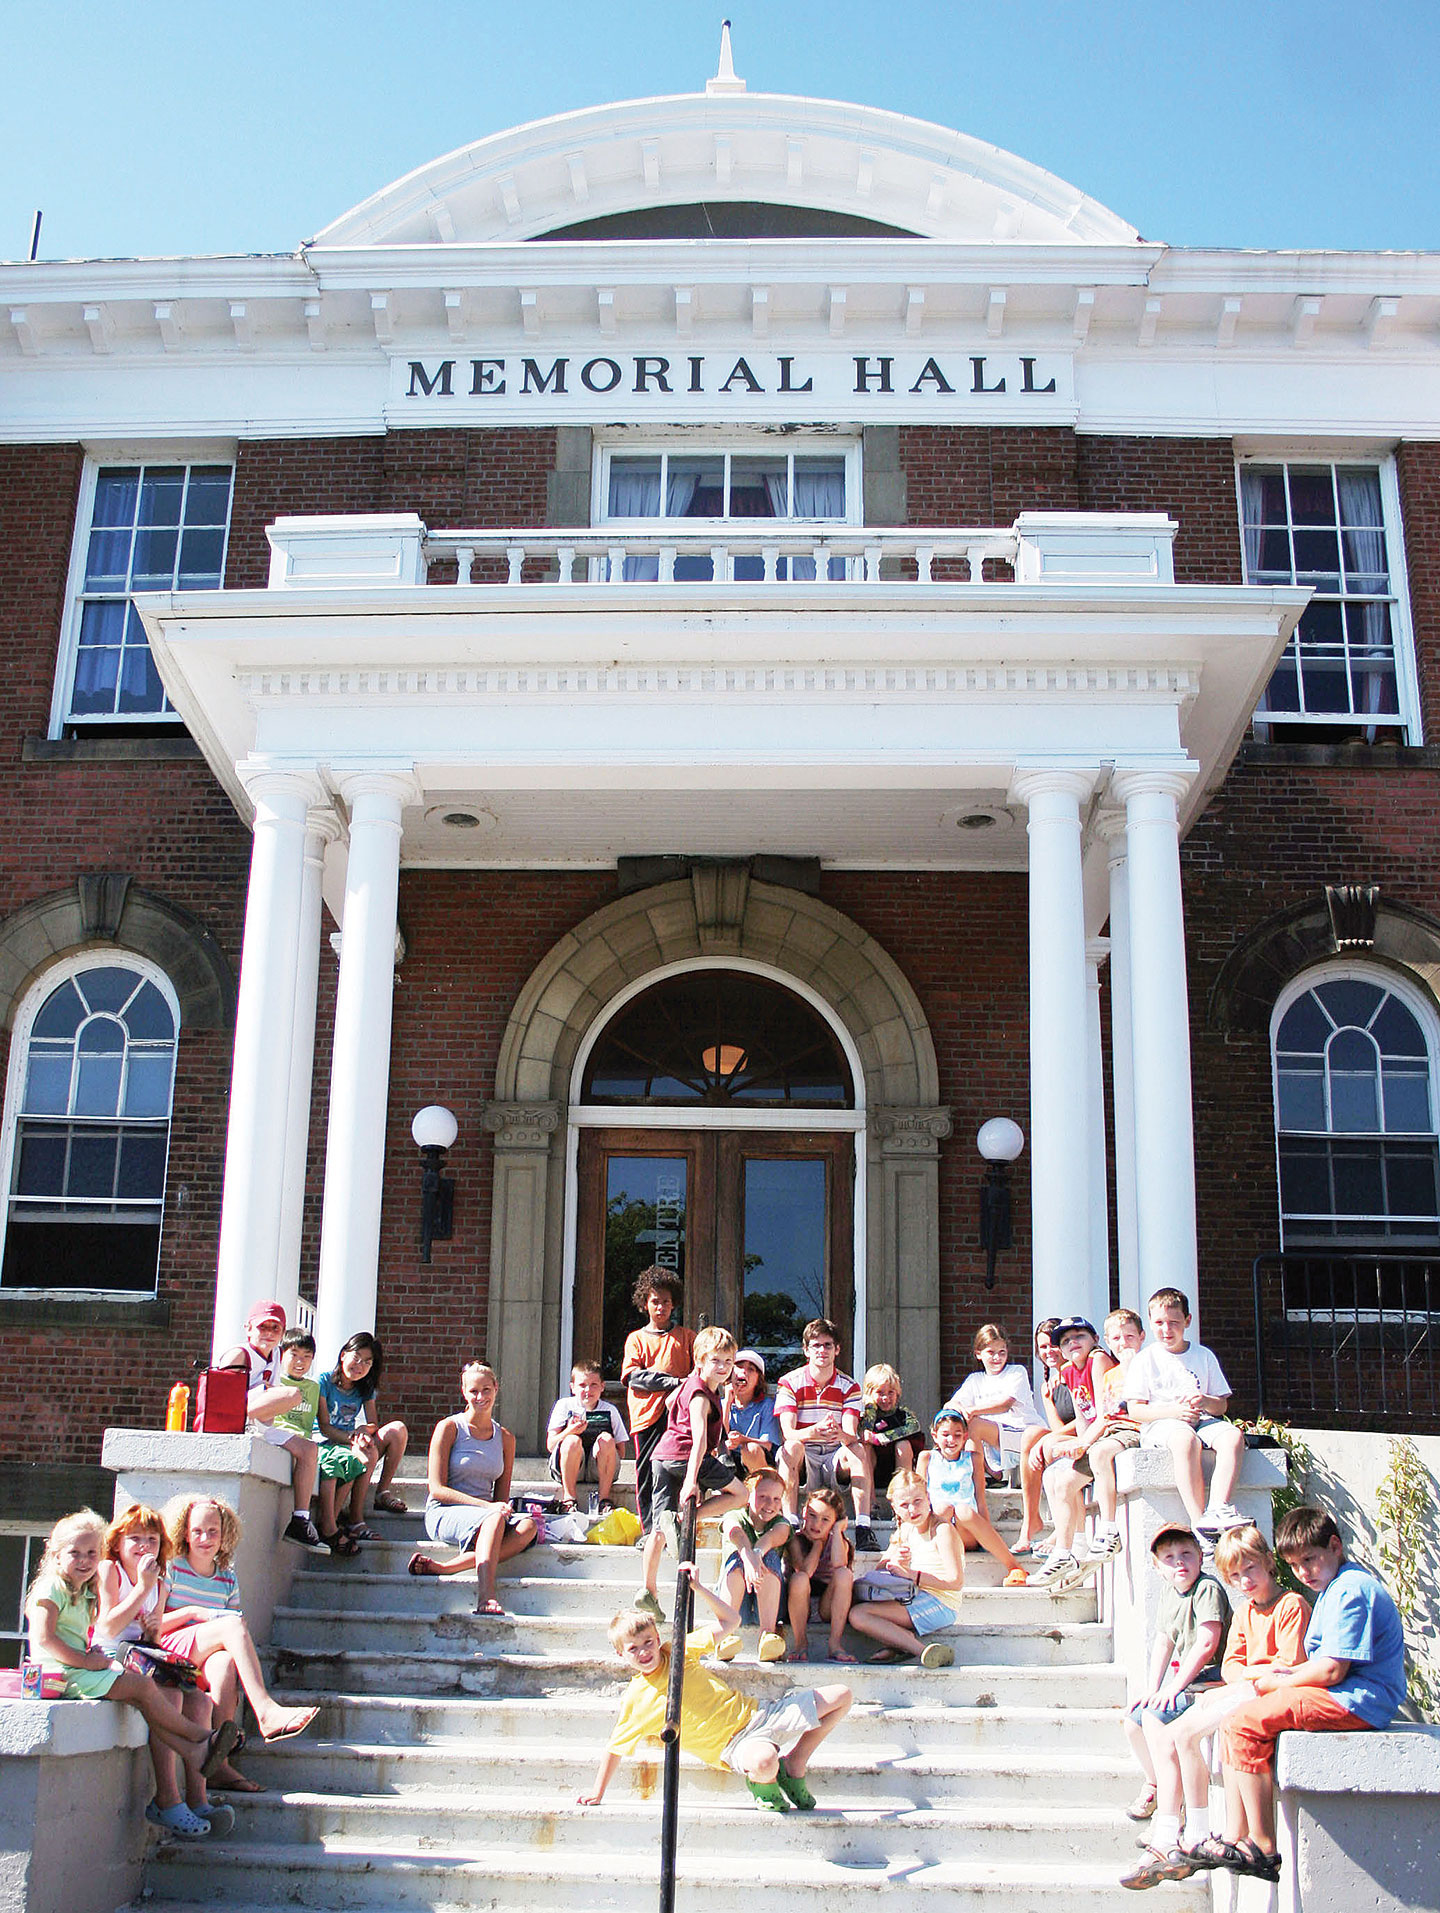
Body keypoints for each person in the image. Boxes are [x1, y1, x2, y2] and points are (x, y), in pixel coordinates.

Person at [1214, 1505, 1406, 1883]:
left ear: (1335, 1546)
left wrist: (1275, 1682)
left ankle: (1263, 1848)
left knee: (1244, 1724)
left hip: (1359, 1699)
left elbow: (1334, 1668)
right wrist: (1286, 1676)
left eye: (1310, 1559)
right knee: (1234, 1720)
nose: (1304, 1572)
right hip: (1343, 1692)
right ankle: (1236, 1837)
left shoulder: (1351, 1591)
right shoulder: (1335, 1587)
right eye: (1296, 1565)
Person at [1120, 1522, 1309, 1888]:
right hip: (1245, 1687)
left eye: (1250, 1569)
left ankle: (1197, 1832)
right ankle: (1180, 1827)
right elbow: (1234, 1666)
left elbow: (1289, 1664)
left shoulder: (1290, 1604)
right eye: (1236, 1574)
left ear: (1269, 1563)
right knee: (1174, 1732)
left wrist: (1254, 1671)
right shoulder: (1244, 1612)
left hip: (1265, 1694)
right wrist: (1257, 1669)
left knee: (1187, 1733)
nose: (1245, 1581)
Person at [579, 1563, 853, 1814]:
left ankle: (795, 1764)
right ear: (620, 1655)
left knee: (841, 1695)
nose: (644, 1652)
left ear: (658, 1637)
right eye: (633, 1648)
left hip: (760, 1715)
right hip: (735, 1745)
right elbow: (614, 1748)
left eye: (648, 1642)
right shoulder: (637, 1700)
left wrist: (698, 1588)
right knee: (765, 1761)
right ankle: (764, 1786)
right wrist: (597, 1792)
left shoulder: (676, 1651)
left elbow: (731, 1622)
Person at [53, 1505, 235, 1838]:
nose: (144, 1546)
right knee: (169, 1697)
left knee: (200, 1703)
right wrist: (140, 1591)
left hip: (143, 1655)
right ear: (118, 1543)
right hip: (110, 1654)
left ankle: (199, 1799)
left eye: (152, 1539)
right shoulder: (110, 1570)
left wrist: (153, 1629)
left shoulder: (160, 1583)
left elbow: (151, 1640)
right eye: (135, 1538)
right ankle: (168, 1799)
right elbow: (108, 1626)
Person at [159, 1493, 319, 1794]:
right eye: (197, 1531)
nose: (205, 1538)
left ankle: (218, 1763)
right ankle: (265, 1711)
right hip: (170, 1651)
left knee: (224, 1664)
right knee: (231, 1625)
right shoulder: (172, 1568)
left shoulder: (227, 1580)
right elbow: (153, 1628)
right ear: (184, 1533)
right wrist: (193, 1613)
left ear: (224, 1534)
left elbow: (233, 1636)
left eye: (213, 1532)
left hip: (202, 1660)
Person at [1122, 1522, 1230, 1839]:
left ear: (1200, 1556)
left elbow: (1207, 1644)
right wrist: (1152, 1689)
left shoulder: (1206, 1589)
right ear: (1158, 1567)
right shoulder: (1171, 1594)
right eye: (1169, 1557)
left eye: (1186, 1553)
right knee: (1133, 1720)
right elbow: (1163, 1642)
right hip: (1188, 1681)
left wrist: (1174, 1688)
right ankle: (1155, 1784)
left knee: (1156, 1720)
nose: (1179, 1562)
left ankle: (1171, 1814)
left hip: (1212, 1679)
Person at [636, 1325, 749, 1622]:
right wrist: (691, 1482)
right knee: (741, 1494)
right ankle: (691, 1516)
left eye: (728, 1361)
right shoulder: (700, 1394)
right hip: (686, 1456)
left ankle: (648, 1589)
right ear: (699, 1360)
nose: (723, 1367)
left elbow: (670, 1402)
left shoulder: (690, 1386)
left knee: (659, 1530)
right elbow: (699, 1439)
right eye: (716, 1361)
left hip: (662, 1456)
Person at [407, 1362, 539, 1613]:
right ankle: (486, 1597)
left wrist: (496, 1510)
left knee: (529, 1526)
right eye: (474, 1391)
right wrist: (489, 1508)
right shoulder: (449, 1428)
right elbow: (437, 1489)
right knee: (493, 1517)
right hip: (446, 1512)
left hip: (487, 1517)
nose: (481, 1397)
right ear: (464, 1392)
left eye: (486, 1390)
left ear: (496, 1389)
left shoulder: (506, 1438)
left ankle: (446, 1567)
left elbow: (501, 1497)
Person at [1125, 1287, 1247, 1545]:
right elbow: (1136, 1410)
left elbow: (1221, 1406)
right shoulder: (1145, 1359)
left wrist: (1204, 1400)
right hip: (1162, 1424)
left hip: (1202, 1420)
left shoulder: (1203, 1355)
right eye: (1159, 1323)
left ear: (1187, 1321)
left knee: (1233, 1437)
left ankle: (1218, 1508)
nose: (1166, 1329)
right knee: (1185, 1440)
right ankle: (1199, 1520)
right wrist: (1174, 1412)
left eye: (1173, 1323)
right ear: (1150, 1322)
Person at [216, 1301, 326, 1553]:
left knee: (309, 1450)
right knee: (292, 1394)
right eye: (262, 1326)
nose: (268, 1332)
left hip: (262, 1425)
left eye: (275, 1328)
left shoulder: (275, 1355)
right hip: (235, 1421)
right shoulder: (239, 1354)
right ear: (248, 1328)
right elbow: (225, 1399)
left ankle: (299, 1520)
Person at [1029, 1316, 1117, 1587]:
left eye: (1079, 1336)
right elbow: (1082, 1418)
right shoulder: (1068, 1372)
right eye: (1066, 1341)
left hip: (1113, 1434)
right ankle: (1072, 1551)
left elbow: (1105, 1416)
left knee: (1065, 1482)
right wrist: (1076, 1444)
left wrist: (1082, 1444)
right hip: (1092, 1439)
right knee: (1055, 1478)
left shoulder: (1097, 1360)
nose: (1072, 1343)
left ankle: (1069, 1550)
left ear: (1095, 1340)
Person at [776, 1318, 877, 1551]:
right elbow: (788, 1432)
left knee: (858, 1450)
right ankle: (790, 1522)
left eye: (828, 1345)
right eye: (816, 1345)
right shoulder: (789, 1383)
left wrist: (839, 1433)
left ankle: (863, 1526)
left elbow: (851, 1435)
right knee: (791, 1448)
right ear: (806, 1350)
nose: (822, 1351)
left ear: (837, 1350)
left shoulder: (849, 1386)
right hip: (805, 1455)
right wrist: (813, 1431)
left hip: (834, 1454)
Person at [847, 1470, 961, 1668]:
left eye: (918, 1501)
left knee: (859, 1615)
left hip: (941, 1602)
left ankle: (921, 1651)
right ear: (894, 1508)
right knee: (857, 1613)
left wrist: (911, 1575)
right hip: (910, 1595)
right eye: (904, 1505)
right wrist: (896, 1562)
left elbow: (955, 1582)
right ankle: (905, 1641)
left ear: (928, 1498)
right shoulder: (906, 1529)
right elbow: (881, 1568)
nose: (912, 1509)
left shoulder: (942, 1530)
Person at [268, 1328, 366, 1556]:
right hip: (285, 1439)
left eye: (307, 1356)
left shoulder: (313, 1387)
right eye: (294, 1355)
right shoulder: (275, 1381)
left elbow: (321, 1423)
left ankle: (329, 1517)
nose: (300, 1362)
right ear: (282, 1354)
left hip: (308, 1441)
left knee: (351, 1462)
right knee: (330, 1466)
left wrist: (355, 1438)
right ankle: (329, 1527)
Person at [621, 1267, 695, 1534]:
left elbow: (697, 1375)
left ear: (673, 1303)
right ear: (644, 1304)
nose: (661, 1307)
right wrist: (673, 1382)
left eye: (666, 1301)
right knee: (646, 1474)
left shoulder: (687, 1338)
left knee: (678, 1471)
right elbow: (633, 1377)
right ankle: (650, 1531)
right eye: (655, 1301)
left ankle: (679, 1528)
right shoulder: (636, 1339)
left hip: (679, 1416)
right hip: (646, 1417)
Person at [918, 1406, 1027, 1583]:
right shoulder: (927, 1458)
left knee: (963, 1511)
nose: (951, 1440)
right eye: (945, 1435)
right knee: (943, 1508)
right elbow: (919, 1496)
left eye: (957, 1435)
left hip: (966, 1530)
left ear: (965, 1437)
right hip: (938, 1527)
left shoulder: (974, 1458)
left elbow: (980, 1499)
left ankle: (1014, 1567)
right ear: (935, 1435)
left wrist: (986, 1530)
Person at [317, 1331, 411, 1525]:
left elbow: (373, 1424)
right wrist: (353, 1438)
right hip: (326, 1442)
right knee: (366, 1454)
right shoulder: (324, 1381)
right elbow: (325, 1427)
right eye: (356, 1358)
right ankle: (355, 1519)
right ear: (343, 1354)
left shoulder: (365, 1388)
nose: (360, 1366)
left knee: (397, 1429)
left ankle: (382, 1492)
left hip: (350, 1440)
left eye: (367, 1362)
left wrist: (363, 1429)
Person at [945, 1322, 1045, 1487]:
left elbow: (1005, 1404)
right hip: (996, 1439)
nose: (997, 1358)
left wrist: (972, 1410)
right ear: (979, 1354)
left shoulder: (1016, 1372)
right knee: (957, 1424)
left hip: (1023, 1433)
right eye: (991, 1352)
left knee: (973, 1425)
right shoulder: (974, 1379)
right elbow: (951, 1404)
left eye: (1002, 1352)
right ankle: (979, 1473)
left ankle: (978, 1479)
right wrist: (958, 1408)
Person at [714, 1465, 792, 1663]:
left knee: (769, 1557)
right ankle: (724, 1636)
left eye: (776, 1499)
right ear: (749, 1495)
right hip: (735, 1606)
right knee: (738, 1557)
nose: (770, 1504)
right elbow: (736, 1534)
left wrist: (756, 1555)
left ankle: (768, 1636)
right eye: (763, 1496)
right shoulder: (735, 1515)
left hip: (767, 1605)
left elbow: (774, 1538)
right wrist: (747, 1557)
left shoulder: (781, 1523)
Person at [784, 1487, 856, 1664]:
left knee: (844, 1574)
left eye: (825, 1520)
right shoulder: (795, 1539)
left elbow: (840, 1565)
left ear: (835, 1522)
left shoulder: (839, 1541)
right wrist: (817, 1545)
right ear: (803, 1512)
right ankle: (801, 1642)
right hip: (800, 1602)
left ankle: (835, 1644)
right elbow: (805, 1571)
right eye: (812, 1516)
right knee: (800, 1578)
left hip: (828, 1604)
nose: (817, 1525)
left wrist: (837, 1532)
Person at [546, 1359, 628, 1513]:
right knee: (572, 1441)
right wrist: (569, 1431)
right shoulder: (564, 1406)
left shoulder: (610, 1410)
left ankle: (604, 1500)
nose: (588, 1390)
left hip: (598, 1468)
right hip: (568, 1467)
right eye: (582, 1385)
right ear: (572, 1387)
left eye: (594, 1385)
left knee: (607, 1439)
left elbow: (621, 1451)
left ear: (602, 1387)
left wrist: (603, 1448)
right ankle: (569, 1499)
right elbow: (551, 1445)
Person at [859, 1363, 924, 1508]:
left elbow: (914, 1427)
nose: (886, 1398)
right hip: (872, 1471)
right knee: (865, 1447)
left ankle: (904, 1499)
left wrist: (879, 1438)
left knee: (903, 1445)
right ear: (869, 1393)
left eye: (891, 1393)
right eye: (880, 1393)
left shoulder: (903, 1415)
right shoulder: (866, 1416)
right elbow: (865, 1433)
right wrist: (870, 1409)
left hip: (898, 1468)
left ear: (898, 1393)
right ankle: (871, 1502)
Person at [724, 1349, 783, 1476]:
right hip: (729, 1461)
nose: (744, 1371)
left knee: (750, 1448)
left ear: (758, 1379)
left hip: (757, 1460)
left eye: (751, 1369)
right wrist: (727, 1403)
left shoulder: (766, 1405)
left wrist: (742, 1440)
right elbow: (717, 1439)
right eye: (739, 1366)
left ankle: (760, 1489)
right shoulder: (721, 1403)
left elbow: (768, 1445)